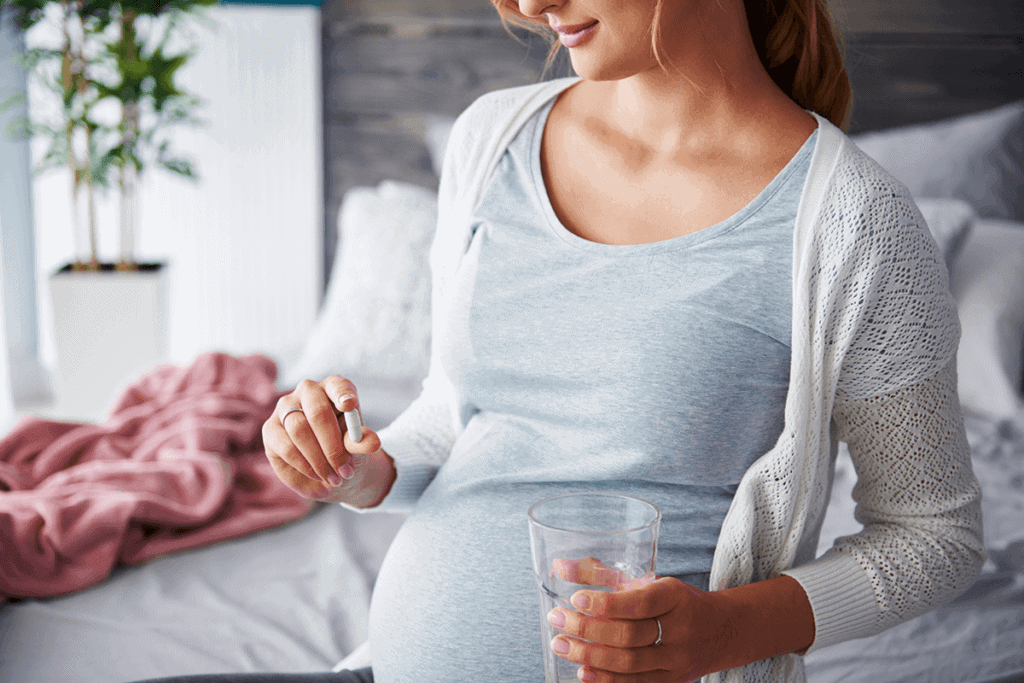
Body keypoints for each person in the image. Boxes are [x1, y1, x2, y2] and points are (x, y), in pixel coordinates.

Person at [137, 0, 985, 681]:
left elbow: (932, 535)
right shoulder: (491, 140)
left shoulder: (852, 222)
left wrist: (721, 631)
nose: (529, 5)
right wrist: (363, 468)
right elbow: (457, 417)